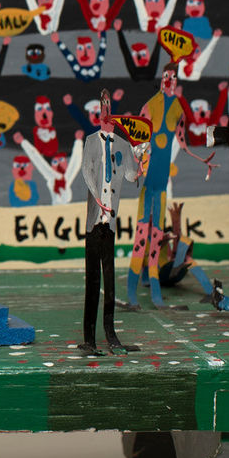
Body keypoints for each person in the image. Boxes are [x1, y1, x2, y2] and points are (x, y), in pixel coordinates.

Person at [79, 94, 142, 355]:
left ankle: (111, 334)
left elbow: (130, 175)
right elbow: (86, 172)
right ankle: (89, 339)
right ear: (99, 116)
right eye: (103, 109)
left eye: (110, 110)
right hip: (95, 222)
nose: (108, 117)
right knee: (93, 283)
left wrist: (139, 158)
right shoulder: (91, 141)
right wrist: (98, 199)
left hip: (111, 223)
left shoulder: (122, 144)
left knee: (110, 283)